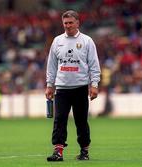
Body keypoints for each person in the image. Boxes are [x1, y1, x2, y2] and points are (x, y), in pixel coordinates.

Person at [45, 10, 101, 161]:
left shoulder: (87, 41)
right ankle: (58, 152)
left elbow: (94, 65)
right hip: (62, 88)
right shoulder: (57, 41)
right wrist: (50, 85)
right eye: (65, 23)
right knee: (59, 120)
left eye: (71, 23)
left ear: (77, 23)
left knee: (81, 121)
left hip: (80, 87)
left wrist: (94, 84)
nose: (68, 26)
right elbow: (52, 65)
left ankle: (84, 151)